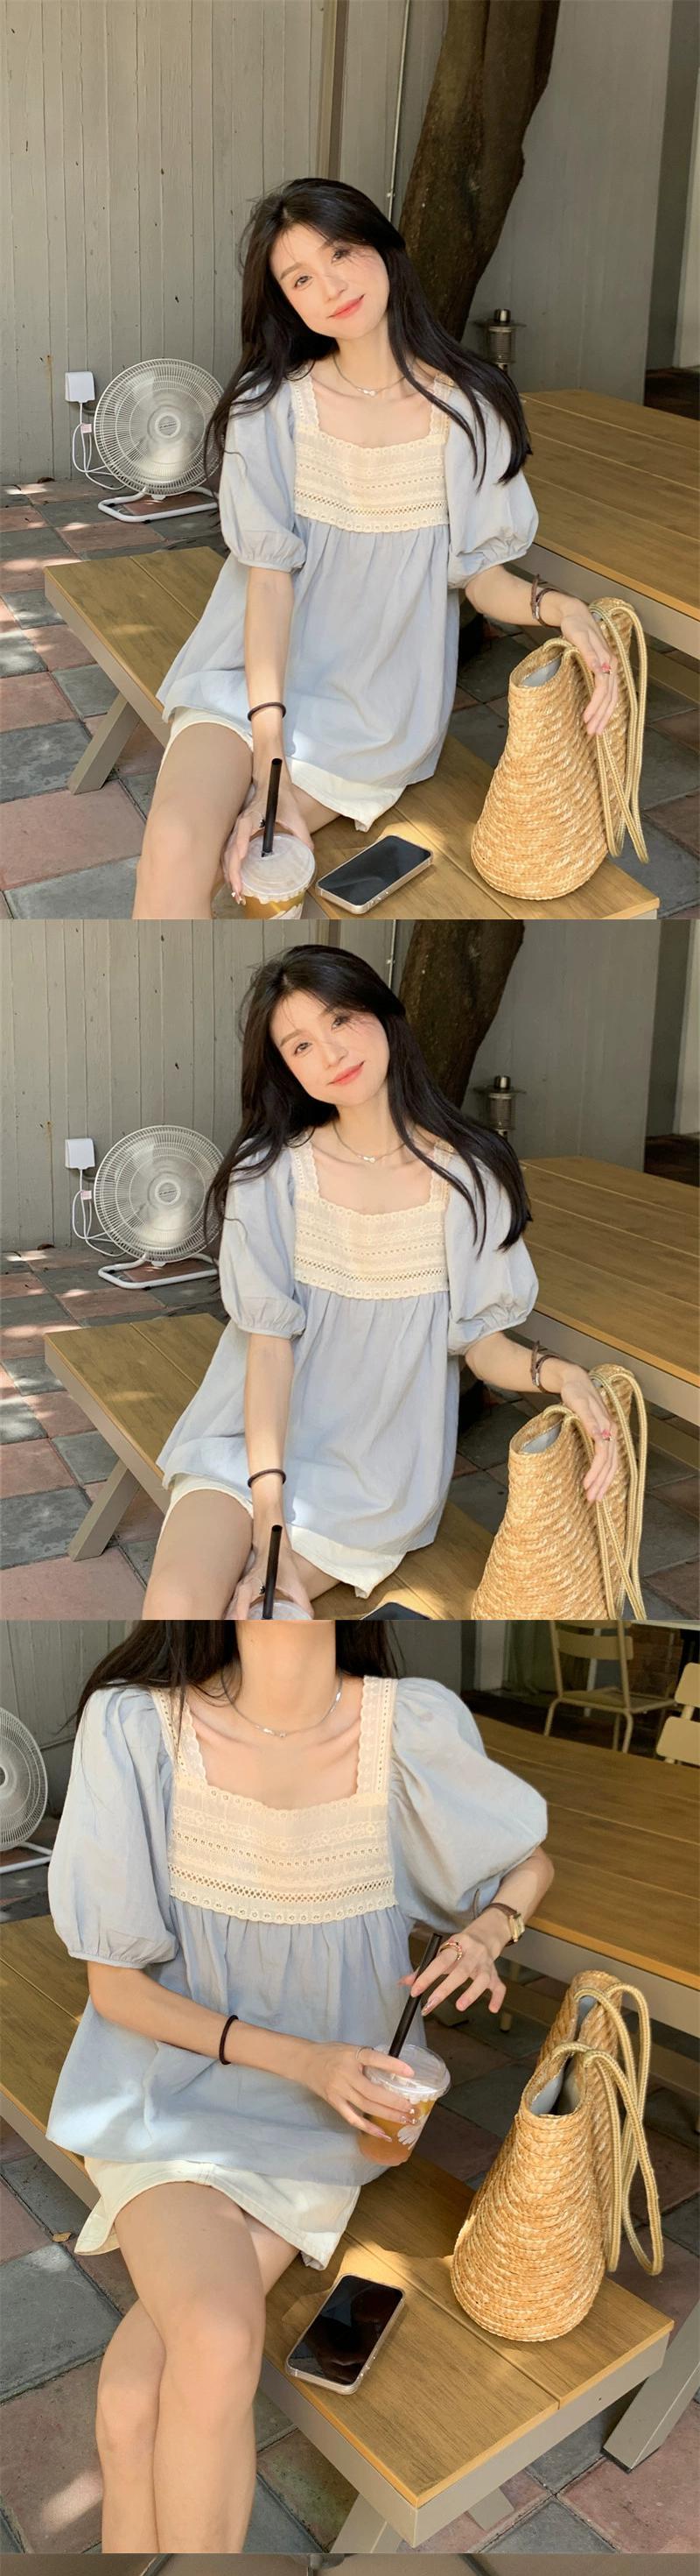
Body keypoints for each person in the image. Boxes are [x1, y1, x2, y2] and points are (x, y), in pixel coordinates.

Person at [45, 1616, 552, 2554]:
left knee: (133, 2396)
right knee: (210, 2343)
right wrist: (304, 2060)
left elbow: (526, 1858)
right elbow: (115, 1991)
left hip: (329, 2123)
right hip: (171, 2097)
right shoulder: (137, 1726)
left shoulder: (408, 1725)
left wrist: (487, 1931)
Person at [132, 177, 618, 918]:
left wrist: (559, 607)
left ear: (385, 249)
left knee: (260, 855)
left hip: (374, 711)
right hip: (248, 681)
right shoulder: (272, 407)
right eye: (300, 278)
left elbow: (481, 576)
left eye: (341, 253)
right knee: (174, 842)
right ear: (286, 303)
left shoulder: (469, 411)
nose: (329, 286)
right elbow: (267, 582)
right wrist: (269, 756)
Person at [144, 947, 618, 1620]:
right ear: (288, 1069)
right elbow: (269, 1348)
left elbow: (482, 1344)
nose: (331, 1052)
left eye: (341, 1018)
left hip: (374, 1481)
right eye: (301, 1045)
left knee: (263, 1614)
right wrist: (269, 1511)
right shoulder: (269, 1173)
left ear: (383, 1014)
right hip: (248, 1448)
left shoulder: (470, 1178)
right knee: (177, 1606)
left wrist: (559, 1374)